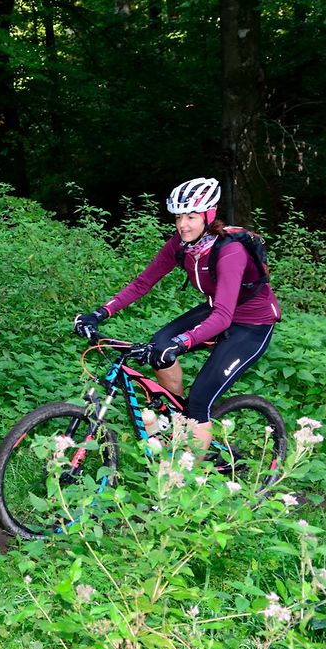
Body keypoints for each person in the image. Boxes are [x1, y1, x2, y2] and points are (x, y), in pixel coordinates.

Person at [73, 177, 282, 448]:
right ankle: (178, 421)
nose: (183, 224)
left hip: (252, 325)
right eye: (178, 217)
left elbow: (223, 317)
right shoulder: (182, 245)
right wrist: (99, 313)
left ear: (208, 216)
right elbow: (143, 283)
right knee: (159, 347)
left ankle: (187, 466)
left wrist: (181, 342)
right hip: (217, 309)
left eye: (191, 217)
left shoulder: (231, 251)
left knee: (199, 402)